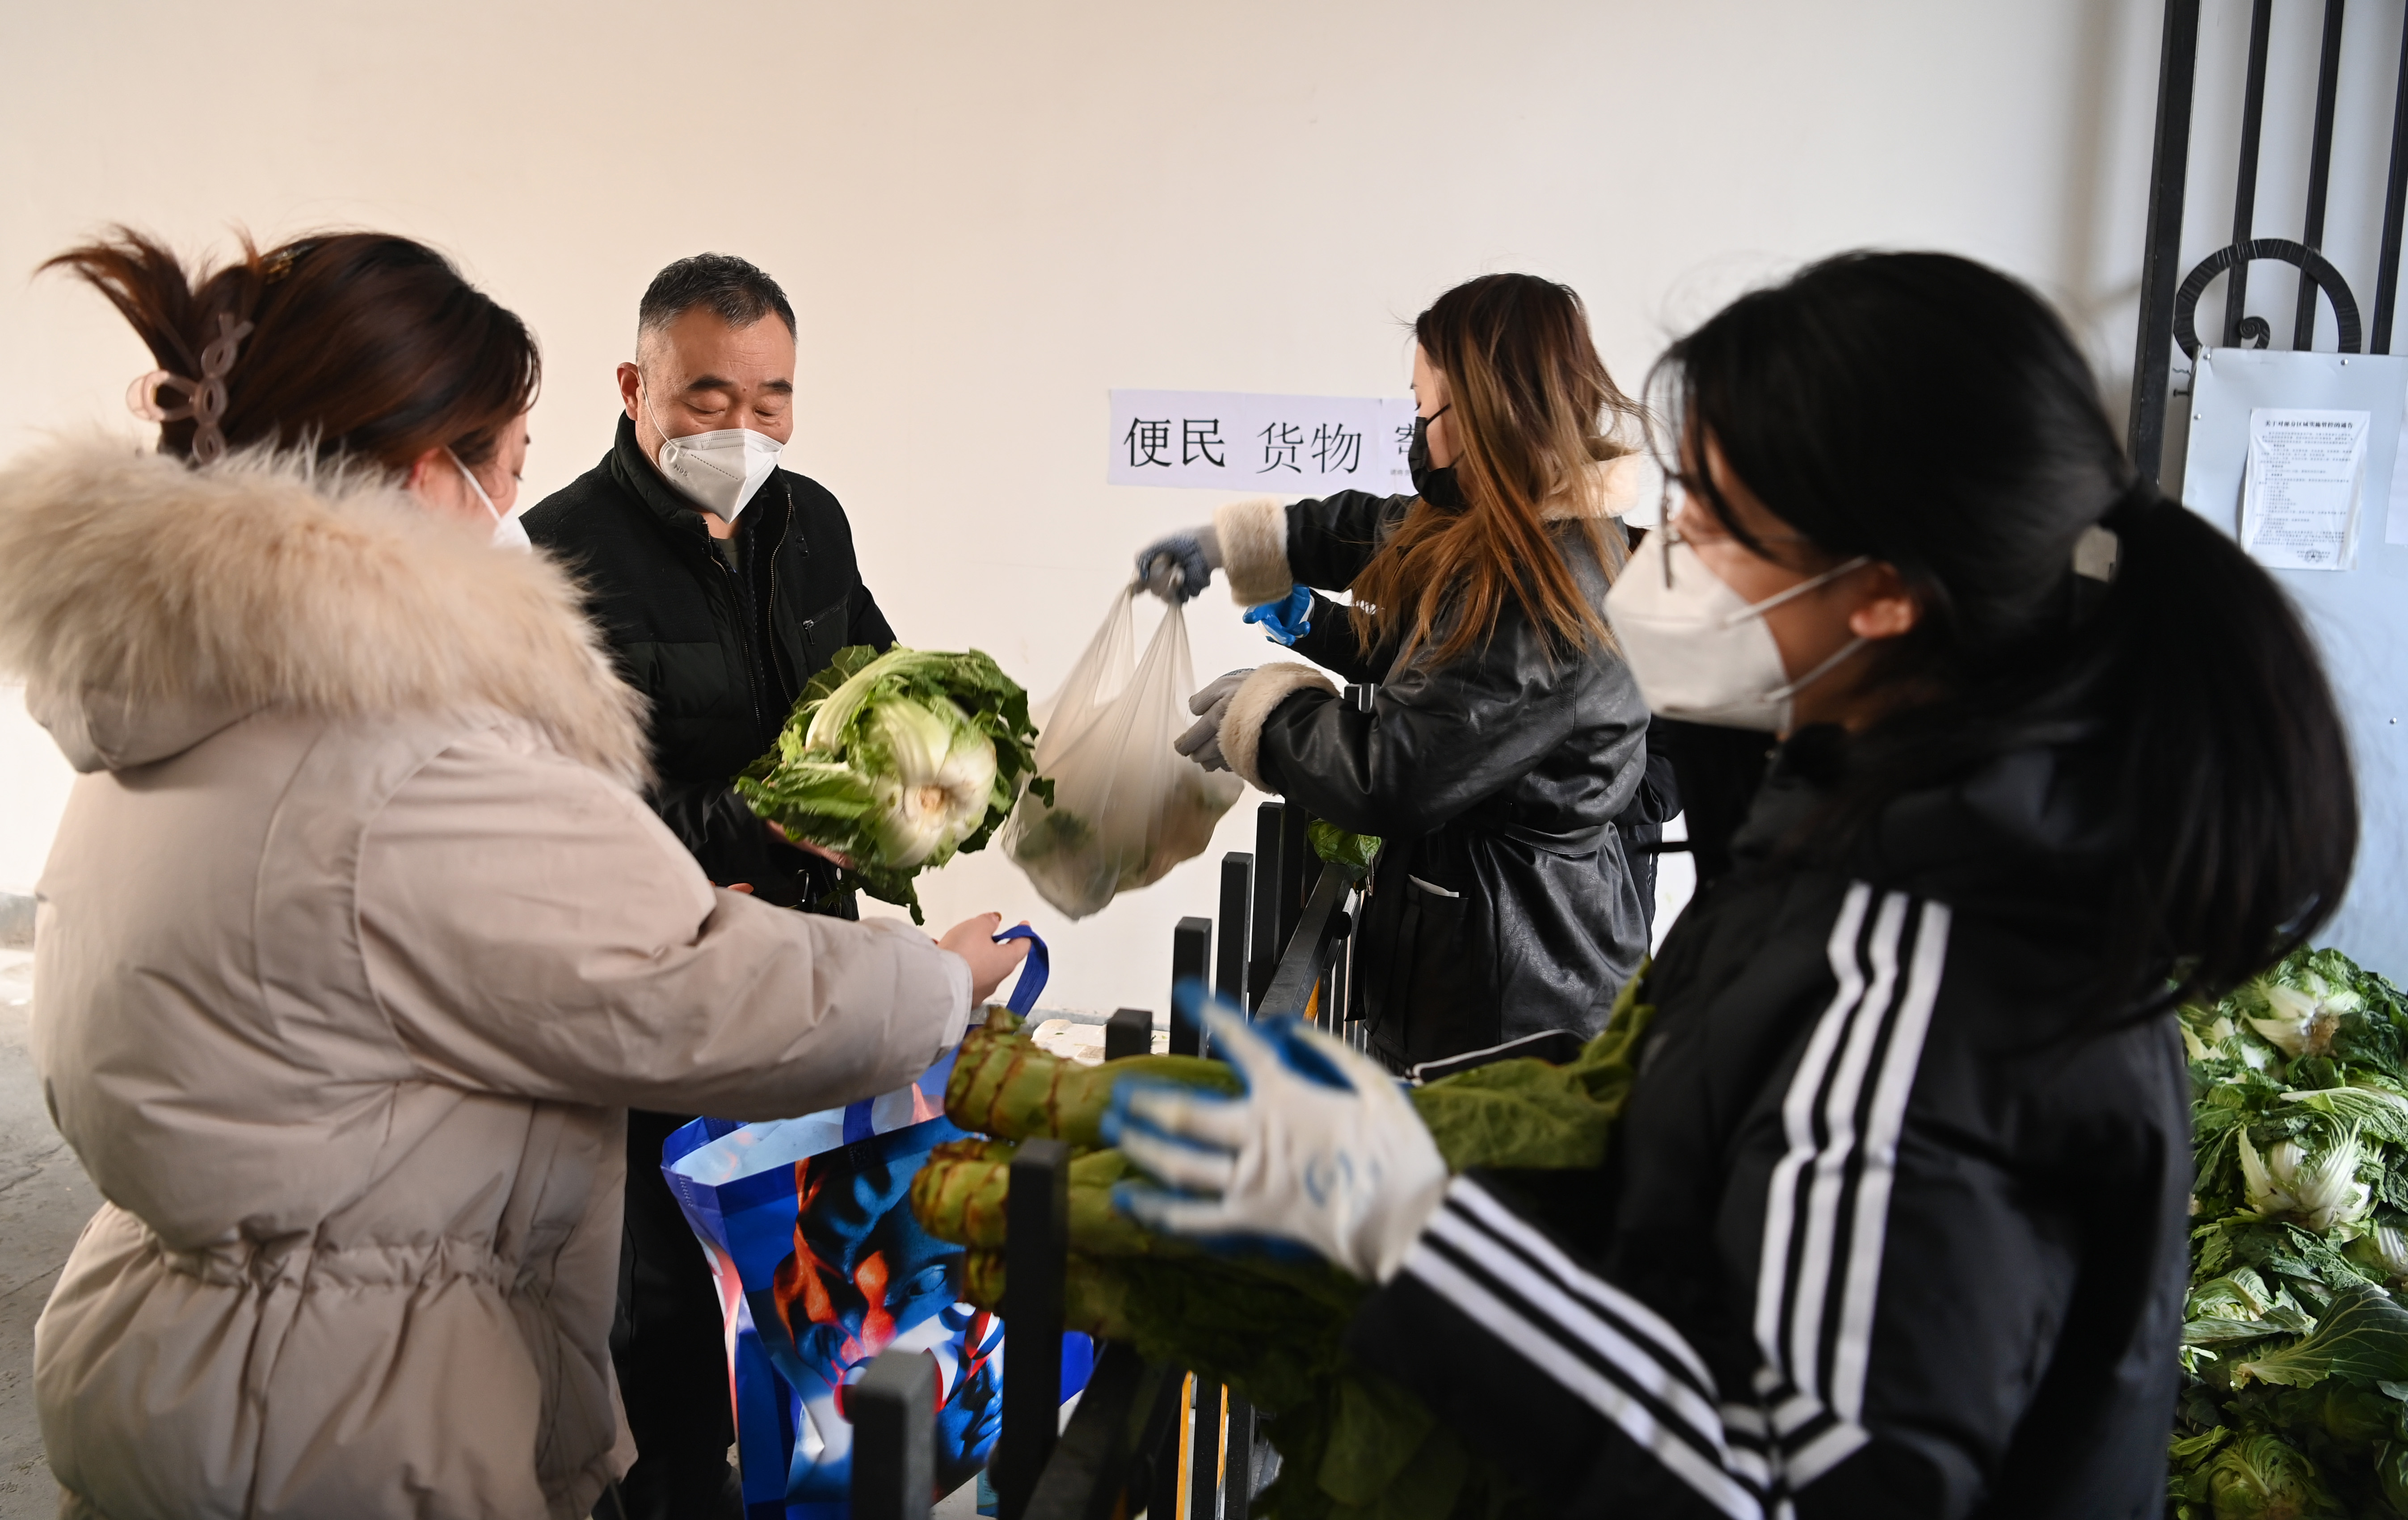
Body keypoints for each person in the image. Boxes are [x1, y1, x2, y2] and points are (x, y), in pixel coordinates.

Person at [1107, 252, 2357, 1516]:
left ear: (1879, 595)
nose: (1662, 552)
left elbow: (1783, 1484)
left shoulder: (1931, 976)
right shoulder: (1850, 825)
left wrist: (1417, 1229)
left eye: (1711, 516)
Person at [0, 229, 1028, 1520]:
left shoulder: (174, 699)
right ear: (426, 474)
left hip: (213, 1347)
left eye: (772, 398)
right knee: (668, 1333)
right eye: (505, 470)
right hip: (338, 1410)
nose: (507, 518)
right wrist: (933, 985)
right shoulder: (399, 754)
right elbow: (684, 985)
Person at [523, 253, 900, 1518]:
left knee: (811, 1280)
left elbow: (877, 684)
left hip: (807, 976)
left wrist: (919, 784)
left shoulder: (813, 523)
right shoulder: (561, 554)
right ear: (635, 387)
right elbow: (574, 822)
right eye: (707, 397)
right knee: (668, 1308)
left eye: (771, 397)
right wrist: (767, 826)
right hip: (662, 997)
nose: (744, 427)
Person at [1136, 273, 1658, 1073]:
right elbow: (1380, 531)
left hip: (1510, 995)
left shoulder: (1538, 589)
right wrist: (1239, 546)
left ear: (1484, 413)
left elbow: (1393, 771)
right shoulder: (1506, 524)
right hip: (1475, 943)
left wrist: (1266, 714)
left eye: (1426, 411)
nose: (1418, 434)